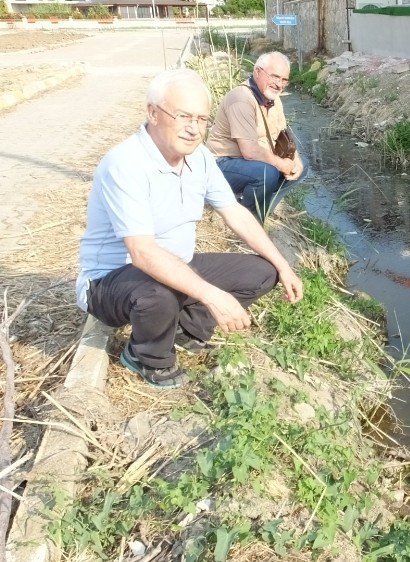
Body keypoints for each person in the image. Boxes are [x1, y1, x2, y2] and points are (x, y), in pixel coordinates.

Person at [76, 68, 304, 389]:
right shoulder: (125, 164)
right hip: (112, 281)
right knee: (159, 294)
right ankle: (146, 356)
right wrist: (212, 295)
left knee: (263, 271)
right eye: (184, 116)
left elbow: (234, 213)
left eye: (201, 119)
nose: (194, 129)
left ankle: (186, 331)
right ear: (153, 113)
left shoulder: (200, 159)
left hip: (175, 264)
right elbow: (142, 254)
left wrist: (284, 266)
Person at [207, 51, 307, 222]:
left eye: (284, 80)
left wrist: (295, 161)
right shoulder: (241, 98)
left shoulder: (273, 99)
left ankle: (262, 208)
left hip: (248, 164)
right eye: (275, 77)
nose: (279, 84)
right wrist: (282, 164)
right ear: (257, 72)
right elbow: (250, 151)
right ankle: (247, 221)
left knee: (302, 167)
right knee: (266, 173)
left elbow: (284, 135)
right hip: (222, 163)